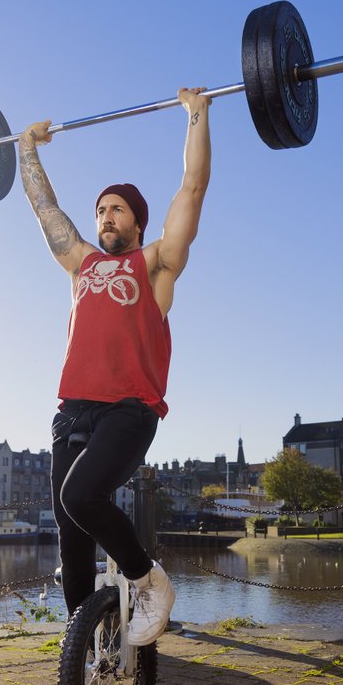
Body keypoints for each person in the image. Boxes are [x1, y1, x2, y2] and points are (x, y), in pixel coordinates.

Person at [18, 87, 211, 651]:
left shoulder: (153, 266)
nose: (105, 216)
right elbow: (44, 209)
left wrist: (196, 115)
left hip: (129, 410)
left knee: (82, 497)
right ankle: (87, 657)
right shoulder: (81, 265)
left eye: (116, 209)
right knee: (71, 542)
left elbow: (192, 189)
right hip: (72, 411)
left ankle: (148, 582)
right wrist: (28, 148)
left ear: (136, 221)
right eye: (100, 208)